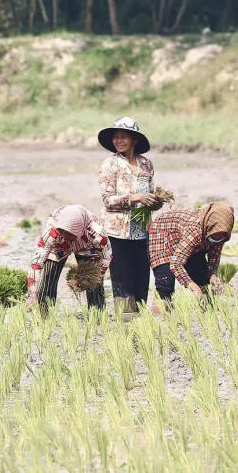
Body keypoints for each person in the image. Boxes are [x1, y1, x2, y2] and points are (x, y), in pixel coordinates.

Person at [98, 117, 161, 321]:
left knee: (142, 278)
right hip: (118, 233)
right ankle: (126, 322)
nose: (119, 140)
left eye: (123, 136)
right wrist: (135, 198)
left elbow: (151, 193)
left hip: (142, 231)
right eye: (116, 137)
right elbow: (108, 200)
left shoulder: (146, 164)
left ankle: (140, 320)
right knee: (122, 279)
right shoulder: (110, 164)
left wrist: (156, 202)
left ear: (134, 139)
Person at [27, 204, 112, 314]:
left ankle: (97, 317)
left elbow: (106, 257)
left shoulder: (96, 233)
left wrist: (90, 279)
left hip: (86, 245)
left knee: (93, 280)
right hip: (58, 245)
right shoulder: (53, 231)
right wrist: (32, 292)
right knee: (48, 277)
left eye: (69, 235)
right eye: (62, 232)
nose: (65, 236)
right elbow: (36, 262)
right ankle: (45, 317)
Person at [148, 202, 234, 305]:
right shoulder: (193, 230)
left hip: (190, 243)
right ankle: (160, 320)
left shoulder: (221, 232)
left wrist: (212, 274)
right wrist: (192, 286)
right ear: (208, 226)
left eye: (221, 237)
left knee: (203, 281)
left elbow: (214, 256)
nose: (217, 239)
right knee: (165, 286)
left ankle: (206, 316)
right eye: (215, 236)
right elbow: (176, 264)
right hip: (162, 235)